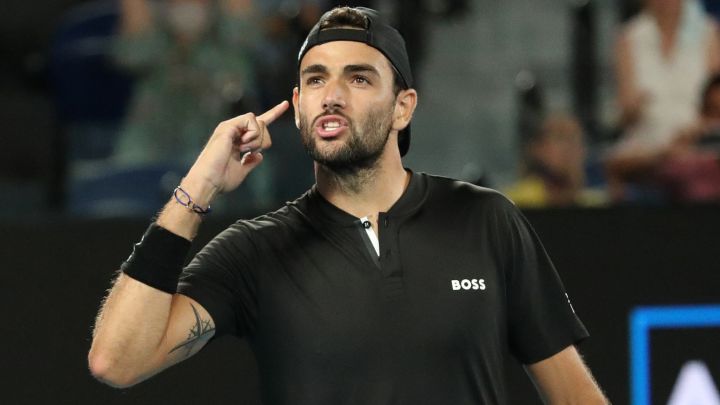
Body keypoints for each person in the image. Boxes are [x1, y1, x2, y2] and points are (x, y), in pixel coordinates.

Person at [89, 7, 609, 404]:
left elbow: (573, 393)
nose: (331, 95)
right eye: (315, 79)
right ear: (296, 109)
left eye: (358, 78)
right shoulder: (255, 250)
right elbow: (117, 360)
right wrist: (198, 188)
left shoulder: (484, 219)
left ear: (403, 107)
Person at [610, 0, 720, 201]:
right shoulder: (629, 37)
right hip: (646, 146)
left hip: (697, 142)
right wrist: (633, 108)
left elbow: (715, 103)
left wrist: (693, 133)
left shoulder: (708, 31)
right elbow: (623, 117)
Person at [504, 113, 604, 207]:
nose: (569, 147)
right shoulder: (515, 203)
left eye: (576, 139)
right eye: (560, 138)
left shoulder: (598, 203)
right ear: (538, 149)